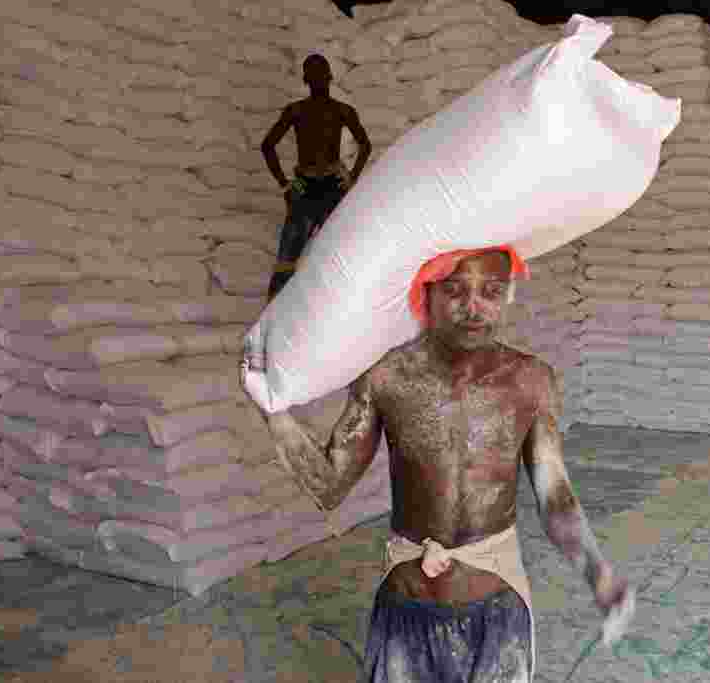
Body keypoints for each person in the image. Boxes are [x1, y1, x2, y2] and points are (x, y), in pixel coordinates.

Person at [256, 247, 635, 683]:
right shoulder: (385, 377)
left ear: (508, 295)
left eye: (491, 291)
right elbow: (329, 486)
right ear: (426, 294)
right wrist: (273, 410)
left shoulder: (530, 382)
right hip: (405, 611)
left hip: (498, 612)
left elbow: (555, 497)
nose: (473, 307)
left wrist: (599, 574)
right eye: (454, 289)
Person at [261, 53, 372, 301]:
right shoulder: (295, 111)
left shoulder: (343, 111)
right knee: (288, 251)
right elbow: (267, 146)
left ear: (330, 77)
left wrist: (351, 178)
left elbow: (365, 145)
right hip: (303, 183)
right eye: (313, 74)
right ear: (305, 79)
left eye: (321, 73)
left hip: (334, 183)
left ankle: (346, 306)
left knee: (345, 247)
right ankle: (272, 316)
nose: (318, 78)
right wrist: (285, 185)